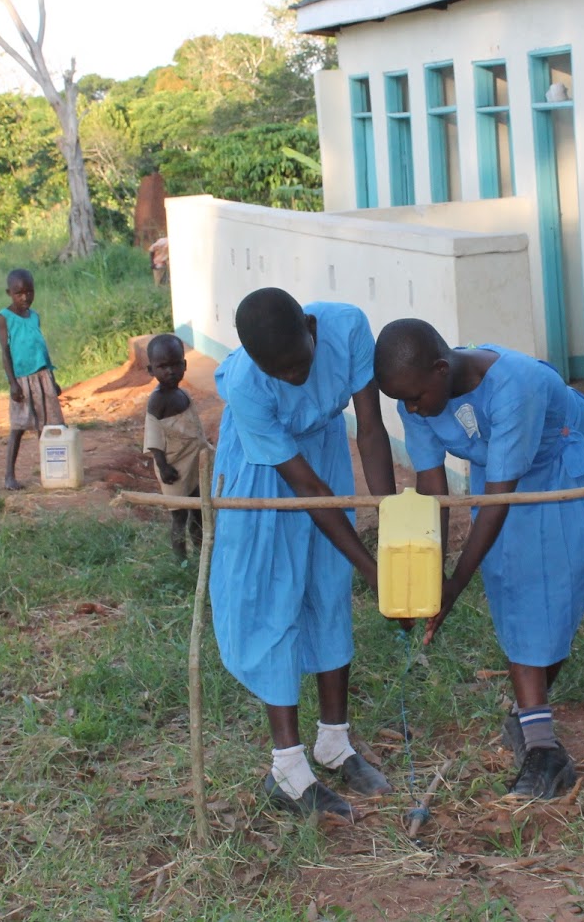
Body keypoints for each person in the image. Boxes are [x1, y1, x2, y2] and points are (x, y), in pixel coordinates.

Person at [372, 318, 584, 800]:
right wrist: (429, 576)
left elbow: (501, 500)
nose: (412, 409)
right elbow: (432, 489)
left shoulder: (515, 386)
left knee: (554, 594)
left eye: (417, 398)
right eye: (404, 402)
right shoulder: (415, 398)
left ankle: (535, 732)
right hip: (501, 482)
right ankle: (540, 739)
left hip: (565, 471)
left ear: (441, 369)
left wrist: (454, 588)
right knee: (514, 587)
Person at [212, 287, 397, 821]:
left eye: (298, 364)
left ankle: (334, 744)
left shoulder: (347, 328)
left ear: (311, 332)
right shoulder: (249, 385)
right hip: (264, 472)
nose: (293, 377)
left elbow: (370, 430)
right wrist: (372, 569)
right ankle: (288, 769)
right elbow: (308, 491)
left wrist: (389, 529)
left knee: (328, 586)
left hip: (325, 451)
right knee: (276, 597)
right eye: (279, 372)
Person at [0, 268, 63, 491]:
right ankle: (9, 476)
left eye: (29, 292)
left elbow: (41, 348)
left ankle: (51, 471)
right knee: (18, 427)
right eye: (19, 293)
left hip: (42, 376)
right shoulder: (4, 318)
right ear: (9, 293)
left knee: (47, 426)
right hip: (22, 380)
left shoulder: (34, 316)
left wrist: (52, 378)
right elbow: (5, 352)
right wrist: (12, 383)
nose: (25, 297)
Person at [143, 333, 207, 562]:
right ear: (151, 370)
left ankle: (201, 554)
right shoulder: (157, 401)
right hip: (174, 469)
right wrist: (163, 466)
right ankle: (180, 560)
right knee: (179, 516)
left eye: (175, 364)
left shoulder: (183, 395)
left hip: (193, 464)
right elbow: (153, 437)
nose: (170, 371)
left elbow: (195, 427)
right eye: (163, 366)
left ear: (185, 365)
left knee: (199, 511)